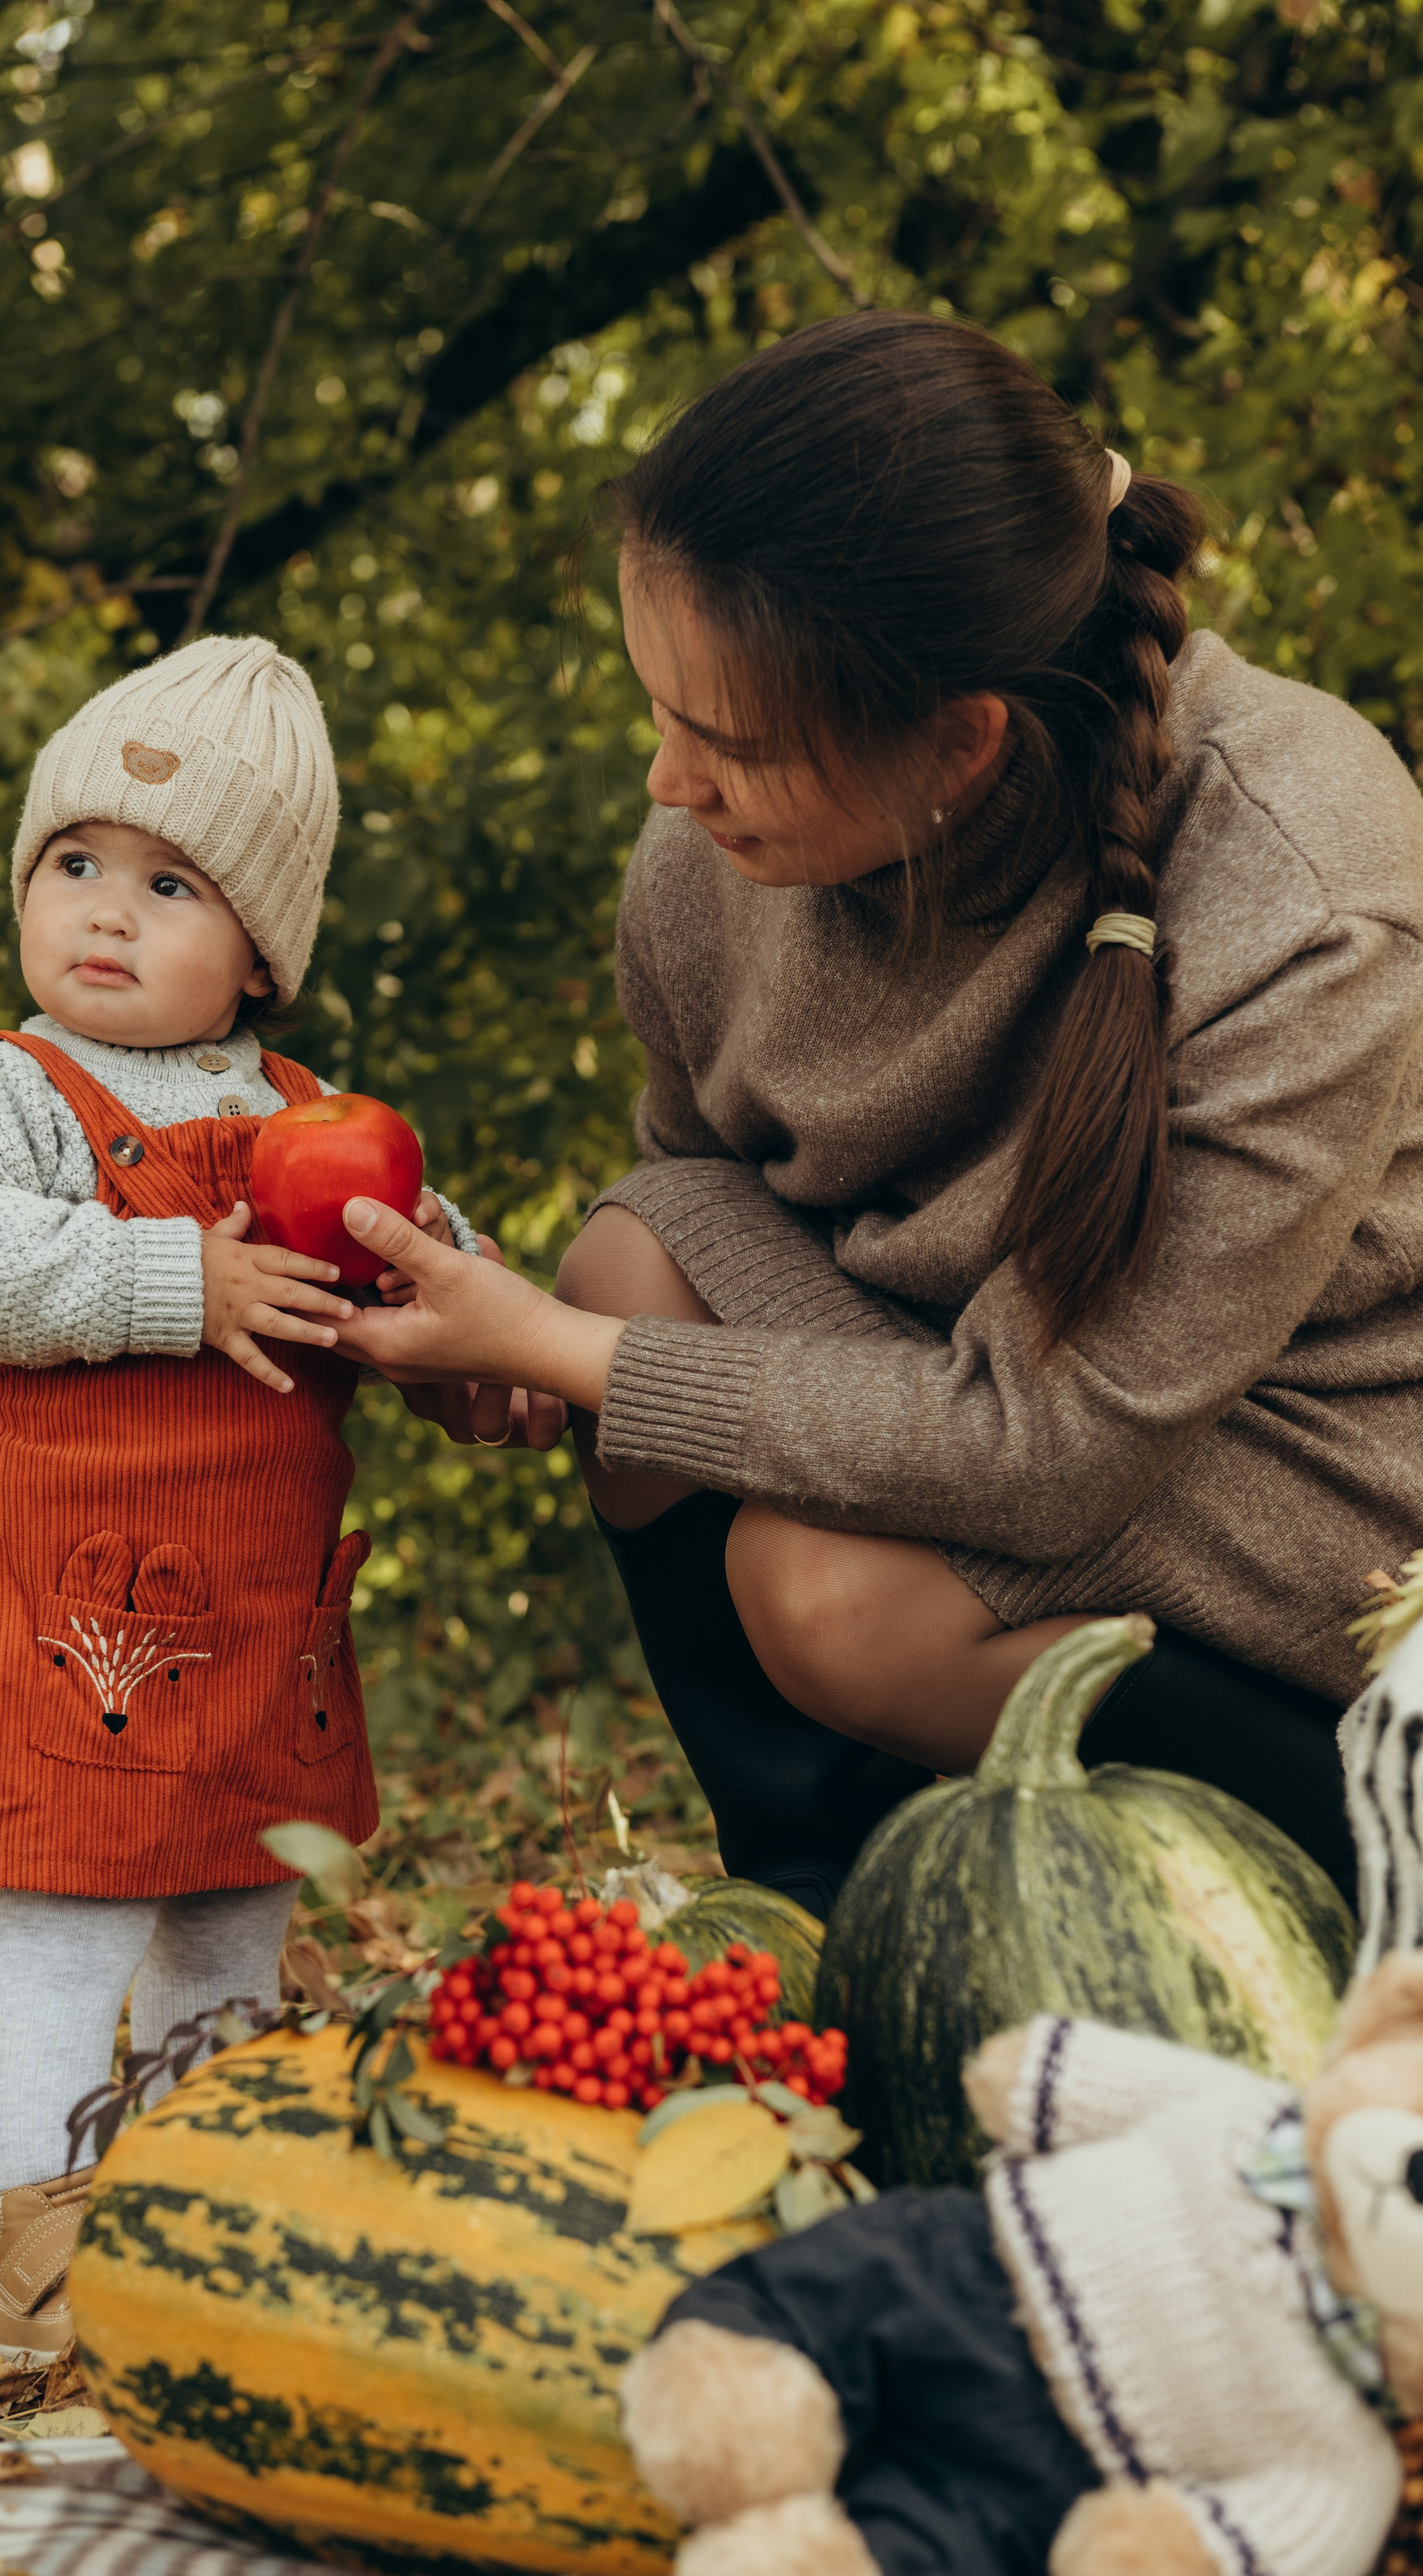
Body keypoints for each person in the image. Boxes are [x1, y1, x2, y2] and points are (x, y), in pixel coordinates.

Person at [342, 311, 1423, 1922]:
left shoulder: (1299, 890)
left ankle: (1310, 1899)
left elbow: (1055, 1449)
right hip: (957, 1363)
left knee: (826, 1593)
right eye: (659, 712)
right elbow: (700, 1192)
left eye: (726, 743)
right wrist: (536, 1349)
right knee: (630, 1259)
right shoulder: (705, 870)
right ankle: (827, 1920)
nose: (666, 786)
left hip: (1281, 1460)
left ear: (957, 741)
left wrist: (561, 1356)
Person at [0, 633, 479, 2364]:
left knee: (228, 1938)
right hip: (57, 1627)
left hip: (258, 1628)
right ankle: (52, 2270)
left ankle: (205, 2229)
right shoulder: (5, 1088)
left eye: (167, 881)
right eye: (74, 865)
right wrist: (168, 1283)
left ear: (262, 949)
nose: (103, 912)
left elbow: (418, 1267)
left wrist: (469, 1343)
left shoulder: (311, 1118)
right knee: (55, 1947)